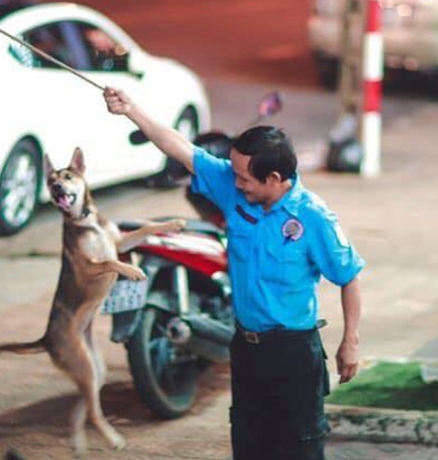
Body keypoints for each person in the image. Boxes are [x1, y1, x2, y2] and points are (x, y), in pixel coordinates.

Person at [103, 87, 364, 460]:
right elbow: (182, 150)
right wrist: (132, 111)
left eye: (244, 178)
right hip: (245, 348)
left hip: (293, 353)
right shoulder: (233, 187)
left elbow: (349, 276)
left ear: (273, 178)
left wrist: (350, 341)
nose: (234, 182)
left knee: (299, 450)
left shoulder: (313, 218)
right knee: (248, 446)